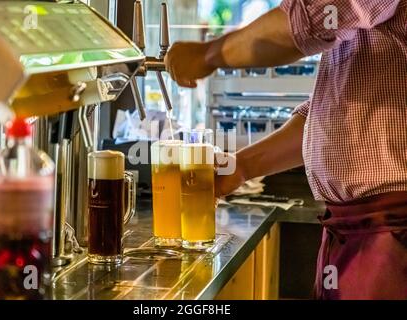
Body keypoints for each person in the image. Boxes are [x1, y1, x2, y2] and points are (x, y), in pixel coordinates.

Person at [165, 0, 407, 300]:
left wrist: (208, 54)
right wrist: (242, 167)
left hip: (393, 229)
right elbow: (325, 115)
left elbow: (309, 20)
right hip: (358, 230)